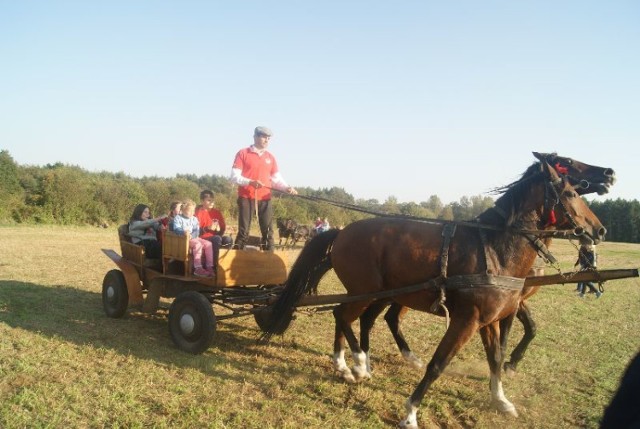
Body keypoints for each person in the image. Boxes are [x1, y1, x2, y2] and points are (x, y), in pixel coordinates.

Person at [230, 126, 298, 250]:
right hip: (246, 197)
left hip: (265, 198)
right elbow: (234, 177)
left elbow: (277, 179)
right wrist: (250, 182)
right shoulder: (243, 153)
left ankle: (270, 261)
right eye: (264, 137)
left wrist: (287, 188)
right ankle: (236, 261)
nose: (267, 140)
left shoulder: (270, 157)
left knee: (268, 232)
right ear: (255, 137)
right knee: (244, 231)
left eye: (268, 138)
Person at [171, 199, 214, 277]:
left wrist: (191, 235)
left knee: (208, 244)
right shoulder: (178, 218)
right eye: (189, 211)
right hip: (183, 240)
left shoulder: (194, 219)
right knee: (198, 244)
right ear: (183, 210)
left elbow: (196, 231)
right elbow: (176, 229)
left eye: (193, 211)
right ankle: (198, 268)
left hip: (193, 237)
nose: (192, 213)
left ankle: (209, 266)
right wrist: (184, 232)